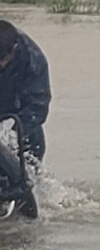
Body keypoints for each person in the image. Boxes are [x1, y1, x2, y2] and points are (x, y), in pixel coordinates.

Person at [0, 20, 50, 161]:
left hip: (18, 114)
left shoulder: (33, 60)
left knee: (31, 148)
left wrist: (12, 136)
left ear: (13, 49)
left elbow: (38, 106)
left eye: (1, 60)